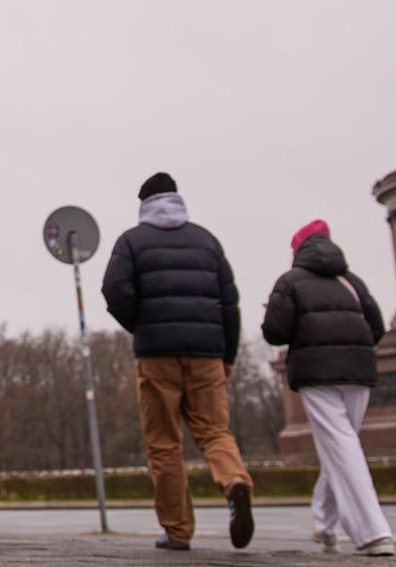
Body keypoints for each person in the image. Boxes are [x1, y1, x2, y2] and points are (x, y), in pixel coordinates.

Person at [102, 172, 254, 551]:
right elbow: (230, 303)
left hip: (157, 356)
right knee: (215, 431)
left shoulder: (131, 242)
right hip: (207, 355)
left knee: (164, 442)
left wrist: (141, 325)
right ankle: (235, 481)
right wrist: (228, 355)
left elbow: (114, 289)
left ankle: (177, 530)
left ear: (144, 205)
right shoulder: (207, 241)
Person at [261, 219, 396, 557]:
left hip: (316, 375)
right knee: (341, 445)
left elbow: (275, 332)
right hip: (358, 372)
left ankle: (373, 533)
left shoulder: (289, 282)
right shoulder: (353, 283)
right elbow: (376, 328)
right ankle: (324, 526)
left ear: (298, 250)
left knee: (341, 445)